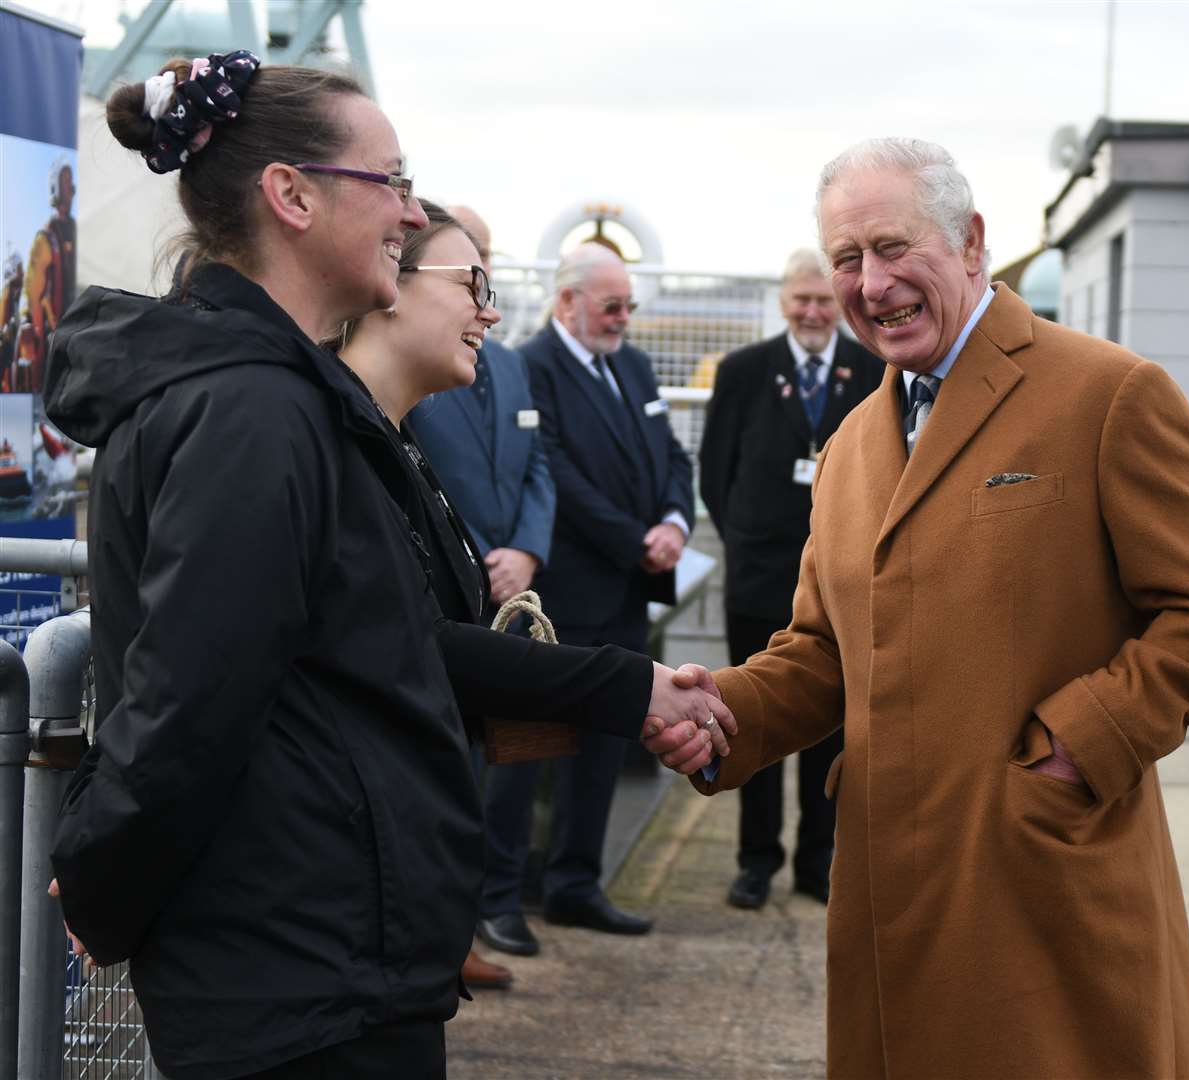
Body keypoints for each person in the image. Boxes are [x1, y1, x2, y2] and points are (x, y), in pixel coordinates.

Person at [43, 55, 725, 1080]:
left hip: (335, 961)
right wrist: (101, 884)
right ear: (292, 196)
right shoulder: (251, 413)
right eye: (391, 182)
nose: (410, 215)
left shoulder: (290, 401)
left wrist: (628, 686)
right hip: (294, 981)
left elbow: (378, 639)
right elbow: (189, 700)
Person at [655, 137, 1189, 1078]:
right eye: (847, 260)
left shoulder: (1108, 394)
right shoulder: (857, 440)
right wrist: (719, 714)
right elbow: (825, 649)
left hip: (1038, 881)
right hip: (888, 890)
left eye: (894, 248)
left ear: (973, 242)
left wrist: (1068, 751)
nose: (871, 283)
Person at [515, 243, 695, 937]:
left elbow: (672, 456)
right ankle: (504, 893)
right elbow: (555, 473)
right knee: (534, 752)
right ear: (567, 302)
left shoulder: (633, 364)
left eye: (628, 307)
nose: (622, 319)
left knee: (606, 747)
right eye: (610, 306)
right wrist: (636, 540)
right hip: (566, 590)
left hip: (626, 590)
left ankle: (576, 883)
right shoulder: (535, 367)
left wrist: (676, 522)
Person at [699, 247, 884, 910]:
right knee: (745, 716)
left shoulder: (871, 369)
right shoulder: (746, 371)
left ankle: (818, 859)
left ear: (840, 303)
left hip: (842, 580)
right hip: (757, 575)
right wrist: (746, 538)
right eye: (801, 300)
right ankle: (756, 859)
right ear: (783, 301)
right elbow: (714, 473)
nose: (811, 311)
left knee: (830, 720)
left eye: (823, 301)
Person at [405, 204, 554, 985]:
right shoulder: (419, 362)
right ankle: (446, 938)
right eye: (470, 276)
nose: (485, 299)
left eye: (489, 268)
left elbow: (536, 466)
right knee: (443, 773)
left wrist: (526, 549)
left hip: (505, 591)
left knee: (497, 771)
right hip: (444, 590)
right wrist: (472, 556)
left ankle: (478, 918)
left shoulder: (514, 363)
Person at [14, 158, 75, 392]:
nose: (70, 189)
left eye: (71, 183)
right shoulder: (46, 237)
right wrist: (27, 319)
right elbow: (32, 287)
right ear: (56, 189)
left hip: (78, 324)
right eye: (65, 183)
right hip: (55, 331)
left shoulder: (77, 230)